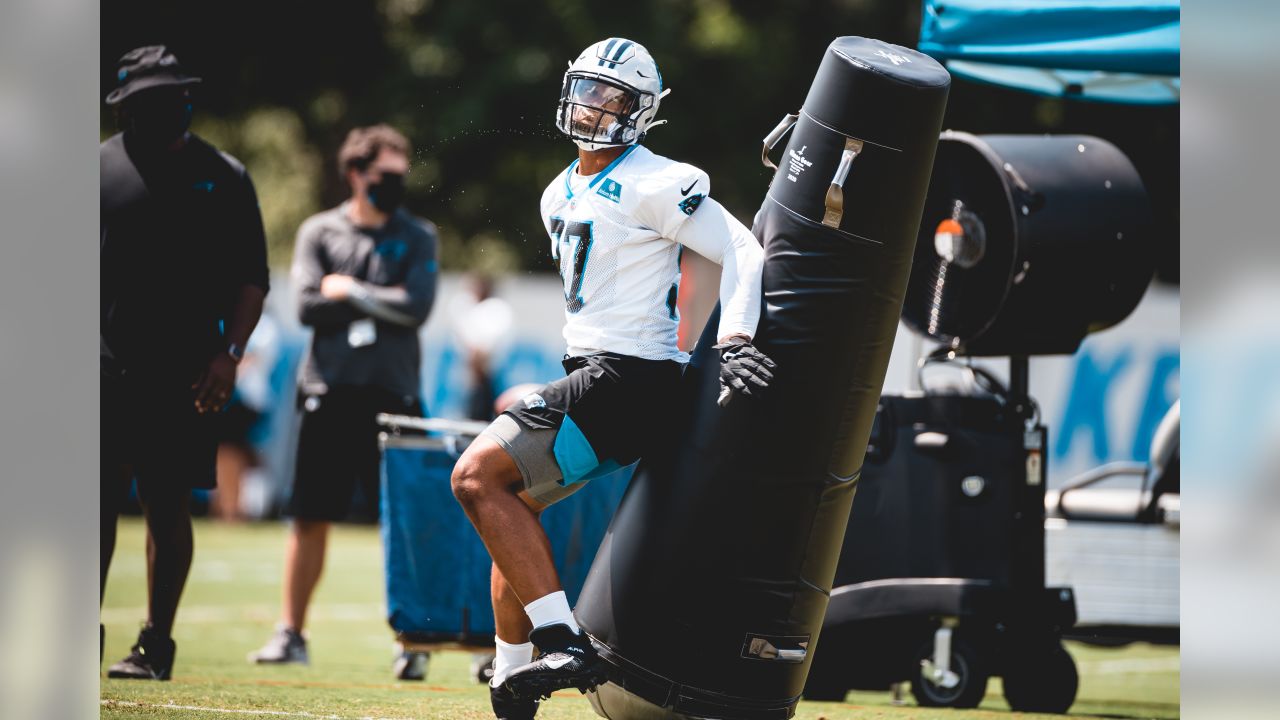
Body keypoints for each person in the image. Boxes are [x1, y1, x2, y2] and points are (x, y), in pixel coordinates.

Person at [450, 39, 776, 720]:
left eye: (612, 97)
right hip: (597, 375)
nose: (593, 106)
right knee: (510, 509)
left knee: (475, 477)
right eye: (587, 90)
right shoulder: (555, 192)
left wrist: (737, 335)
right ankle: (511, 685)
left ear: (641, 112)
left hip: (630, 379)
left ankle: (564, 643)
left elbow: (743, 246)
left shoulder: (658, 179)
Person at [101, 45, 270, 679]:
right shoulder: (94, 171)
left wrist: (230, 356)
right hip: (100, 369)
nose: (173, 107)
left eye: (178, 96)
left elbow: (252, 280)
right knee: (90, 505)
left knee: (166, 506)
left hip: (185, 374)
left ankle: (155, 643)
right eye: (155, 99)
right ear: (126, 108)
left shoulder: (223, 175)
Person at [249, 125, 439, 666]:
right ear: (356, 174)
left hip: (394, 393)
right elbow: (307, 306)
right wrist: (382, 299)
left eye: (402, 175)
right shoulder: (320, 231)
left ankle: (416, 640)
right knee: (310, 515)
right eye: (385, 175)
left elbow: (417, 308)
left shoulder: (418, 235)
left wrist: (351, 290)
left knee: (405, 520)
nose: (396, 185)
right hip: (328, 391)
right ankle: (291, 634)